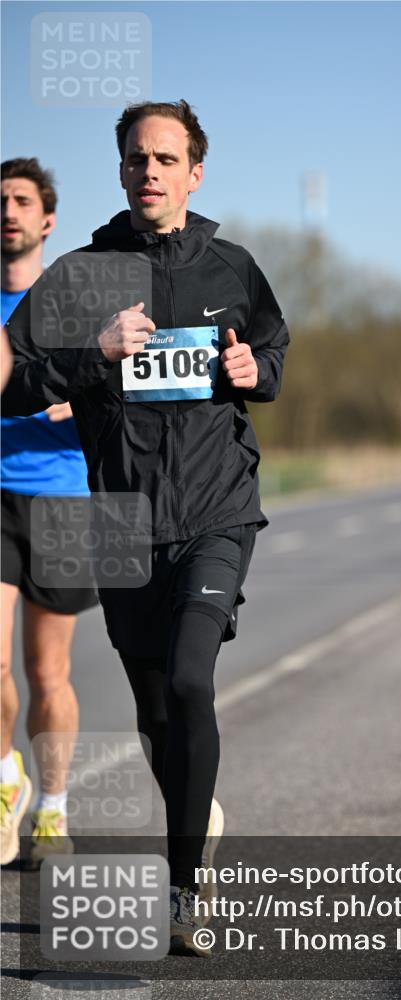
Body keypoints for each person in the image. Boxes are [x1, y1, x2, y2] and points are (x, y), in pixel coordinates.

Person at [2, 100, 289, 955]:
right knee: (157, 710)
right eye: (136, 159)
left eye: (166, 158)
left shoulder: (231, 265)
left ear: (194, 172)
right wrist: (95, 355)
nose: (150, 172)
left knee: (194, 680)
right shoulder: (82, 275)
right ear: (121, 171)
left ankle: (184, 886)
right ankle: (194, 821)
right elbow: (15, 384)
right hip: (121, 520)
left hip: (214, 508)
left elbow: (271, 349)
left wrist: (253, 370)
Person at [0, 158, 98, 869]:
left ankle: (52, 810)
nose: (8, 211)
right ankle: (5, 776)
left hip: (65, 498)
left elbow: (115, 386)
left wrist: (83, 396)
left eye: (22, 201)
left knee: (48, 672)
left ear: (48, 219)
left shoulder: (72, 305)